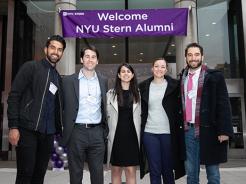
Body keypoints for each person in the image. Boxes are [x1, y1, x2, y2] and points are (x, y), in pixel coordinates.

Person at [7, 35, 66, 184]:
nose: (56, 52)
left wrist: (59, 132)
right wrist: (13, 126)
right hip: (27, 130)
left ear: (62, 54)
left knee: (39, 175)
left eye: (59, 49)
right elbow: (14, 96)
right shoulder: (31, 67)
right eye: (53, 47)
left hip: (48, 134)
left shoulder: (58, 78)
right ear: (46, 49)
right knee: (25, 175)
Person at [180, 42, 234, 184]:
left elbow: (223, 105)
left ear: (202, 57)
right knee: (191, 174)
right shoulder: (182, 78)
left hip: (210, 130)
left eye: (197, 54)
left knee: (213, 174)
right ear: (186, 57)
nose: (193, 58)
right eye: (190, 55)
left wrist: (224, 131)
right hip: (188, 132)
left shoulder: (215, 77)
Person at [60, 45, 108, 184]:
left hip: (97, 132)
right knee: (75, 174)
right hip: (76, 132)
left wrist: (104, 131)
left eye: (93, 57)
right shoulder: (68, 81)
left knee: (98, 174)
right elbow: (61, 106)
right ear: (81, 59)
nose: (90, 59)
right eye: (87, 56)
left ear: (97, 61)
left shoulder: (103, 81)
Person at [139, 58, 185, 184]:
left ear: (166, 69)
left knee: (168, 169)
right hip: (149, 133)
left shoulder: (175, 86)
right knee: (155, 170)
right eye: (157, 66)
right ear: (152, 68)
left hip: (168, 133)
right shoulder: (143, 87)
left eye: (162, 67)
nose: (159, 69)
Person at [106, 63, 141, 184]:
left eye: (128, 71)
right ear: (119, 75)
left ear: (132, 75)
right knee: (116, 170)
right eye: (123, 71)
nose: (126, 74)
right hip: (116, 137)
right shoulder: (110, 94)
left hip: (132, 138)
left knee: (131, 170)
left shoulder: (139, 94)